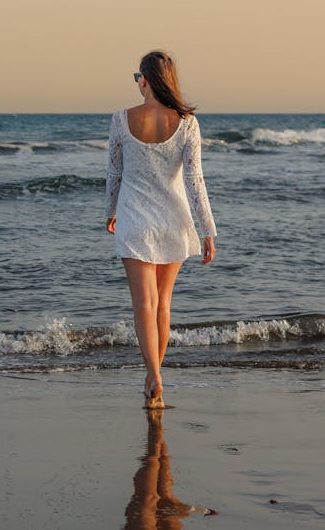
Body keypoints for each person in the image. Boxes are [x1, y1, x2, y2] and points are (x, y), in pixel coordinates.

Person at [106, 50, 217, 409]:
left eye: (138, 76)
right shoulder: (186, 122)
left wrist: (109, 211)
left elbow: (114, 172)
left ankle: (153, 373)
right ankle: (155, 373)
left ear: (145, 80)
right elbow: (195, 180)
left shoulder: (121, 119)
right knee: (163, 304)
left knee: (143, 305)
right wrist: (207, 230)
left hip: (134, 219)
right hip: (173, 218)